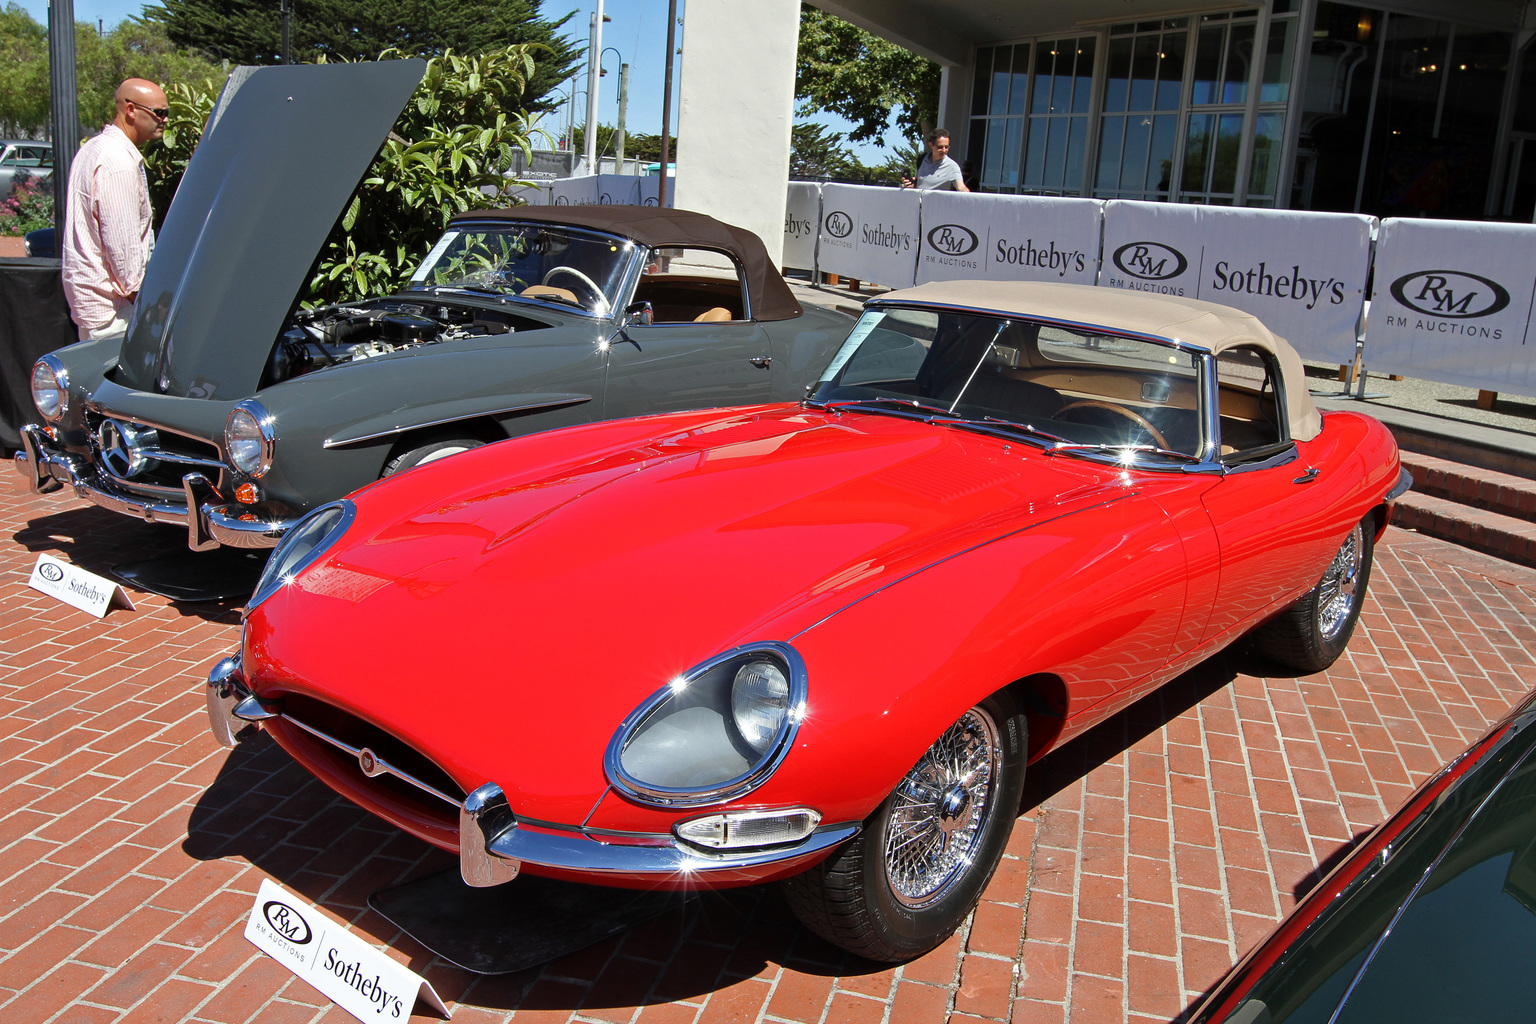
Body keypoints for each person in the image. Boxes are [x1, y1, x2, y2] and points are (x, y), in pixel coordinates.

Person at [61, 78, 167, 340]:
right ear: (131, 110)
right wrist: (147, 304)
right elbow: (124, 253)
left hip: (97, 307)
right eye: (159, 113)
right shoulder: (118, 162)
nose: (165, 120)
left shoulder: (95, 148)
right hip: (115, 313)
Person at [901, 129, 970, 192]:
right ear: (931, 145)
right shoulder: (922, 159)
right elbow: (918, 185)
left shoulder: (952, 166)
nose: (944, 150)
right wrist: (910, 185)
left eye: (946, 147)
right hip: (918, 204)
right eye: (940, 147)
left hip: (937, 204)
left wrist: (973, 199)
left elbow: (961, 187)